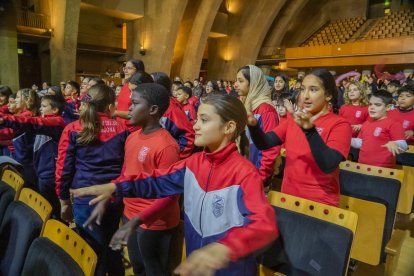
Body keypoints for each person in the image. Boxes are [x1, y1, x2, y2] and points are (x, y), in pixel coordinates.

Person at [71, 94, 278, 276]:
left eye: (203, 120)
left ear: (229, 127)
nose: (195, 125)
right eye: (197, 119)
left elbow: (264, 224)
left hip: (231, 269)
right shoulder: (195, 163)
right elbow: (157, 180)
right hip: (198, 264)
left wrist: (227, 248)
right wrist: (117, 187)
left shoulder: (244, 173)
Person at [83, 83, 180, 276]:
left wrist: (138, 220)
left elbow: (170, 196)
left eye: (134, 103)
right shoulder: (132, 137)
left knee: (155, 271)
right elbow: (126, 174)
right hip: (130, 215)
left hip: (154, 224)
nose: (128, 109)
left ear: (153, 109)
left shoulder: (166, 145)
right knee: (138, 267)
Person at [247, 68, 352, 206]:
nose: (305, 96)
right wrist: (253, 125)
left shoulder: (340, 124)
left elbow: (329, 164)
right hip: (288, 197)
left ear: (328, 95)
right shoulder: (294, 119)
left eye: (313, 90)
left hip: (319, 204)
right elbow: (265, 142)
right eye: (303, 89)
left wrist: (310, 131)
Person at [56, 84, 129, 276]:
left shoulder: (73, 128)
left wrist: (63, 200)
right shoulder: (122, 128)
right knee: (113, 244)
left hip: (84, 198)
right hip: (113, 197)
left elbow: (64, 169)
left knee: (92, 252)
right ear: (109, 105)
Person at [0, 95, 66, 218]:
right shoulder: (46, 121)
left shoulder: (56, 122)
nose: (41, 109)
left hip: (49, 172)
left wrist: (5, 120)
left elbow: (33, 122)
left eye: (44, 106)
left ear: (55, 110)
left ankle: (57, 226)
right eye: (41, 106)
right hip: (41, 170)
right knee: (45, 204)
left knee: (51, 206)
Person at [234, 65, 280, 184]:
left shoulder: (265, 109)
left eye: (240, 81)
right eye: (236, 80)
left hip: (255, 175)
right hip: (243, 171)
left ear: (253, 83)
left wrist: (261, 176)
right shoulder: (245, 104)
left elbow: (271, 148)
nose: (235, 84)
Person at [351, 90, 408, 168]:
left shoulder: (393, 124)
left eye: (377, 105)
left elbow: (404, 145)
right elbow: (360, 142)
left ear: (388, 107)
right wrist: (347, 139)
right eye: (370, 104)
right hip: (362, 166)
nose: (372, 107)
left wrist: (396, 144)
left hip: (383, 169)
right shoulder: (366, 123)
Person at [151, 72, 195, 158]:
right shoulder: (152, 103)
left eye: (150, 83)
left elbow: (188, 137)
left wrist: (173, 157)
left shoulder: (170, 109)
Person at [116, 59, 145, 131]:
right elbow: (120, 104)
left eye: (129, 68)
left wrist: (115, 113)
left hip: (132, 129)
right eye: (125, 68)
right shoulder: (126, 85)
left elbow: (137, 112)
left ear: (138, 71)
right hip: (119, 127)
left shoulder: (141, 88)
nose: (125, 71)